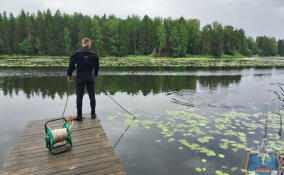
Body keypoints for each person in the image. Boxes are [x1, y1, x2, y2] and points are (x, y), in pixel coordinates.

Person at [67, 37, 99, 121]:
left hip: (80, 78)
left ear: (82, 43)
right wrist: (94, 75)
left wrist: (69, 75)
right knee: (92, 96)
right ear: (89, 44)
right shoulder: (93, 54)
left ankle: (79, 116)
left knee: (79, 97)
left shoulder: (76, 54)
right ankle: (93, 114)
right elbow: (97, 67)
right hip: (90, 78)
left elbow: (71, 66)